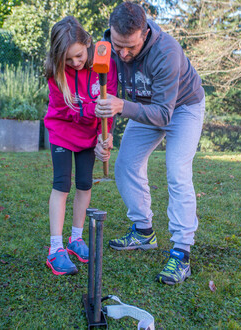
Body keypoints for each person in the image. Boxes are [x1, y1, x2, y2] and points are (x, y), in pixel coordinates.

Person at [94, 2, 205, 285]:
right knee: (125, 165)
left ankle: (181, 253)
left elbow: (163, 114)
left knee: (177, 171)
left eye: (130, 47)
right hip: (144, 106)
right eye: (118, 44)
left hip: (182, 108)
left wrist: (122, 107)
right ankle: (144, 231)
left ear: (144, 33)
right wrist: (105, 133)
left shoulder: (166, 51)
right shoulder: (107, 48)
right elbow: (110, 97)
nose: (123, 53)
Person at [44, 16, 117, 276]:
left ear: (87, 43)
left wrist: (103, 136)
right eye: (69, 59)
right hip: (62, 132)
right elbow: (70, 110)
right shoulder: (56, 74)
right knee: (61, 185)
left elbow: (109, 105)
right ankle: (55, 249)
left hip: (88, 135)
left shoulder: (103, 65)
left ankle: (76, 239)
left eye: (78, 56)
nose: (76, 63)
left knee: (85, 185)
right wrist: (93, 110)